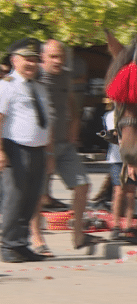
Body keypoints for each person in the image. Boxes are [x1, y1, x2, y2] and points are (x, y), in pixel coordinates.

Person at [29, 39, 96, 256]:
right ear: (43, 58)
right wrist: (48, 153)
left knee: (83, 185)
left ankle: (77, 233)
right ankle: (37, 238)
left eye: (61, 57)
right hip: (40, 144)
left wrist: (75, 122)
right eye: (53, 57)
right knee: (38, 194)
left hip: (63, 144)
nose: (59, 61)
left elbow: (71, 101)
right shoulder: (36, 77)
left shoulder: (65, 75)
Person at [0, 38, 53, 263]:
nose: (31, 64)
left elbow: (47, 122)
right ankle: (8, 245)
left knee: (31, 199)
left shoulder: (40, 87)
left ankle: (21, 244)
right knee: (16, 197)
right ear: (14, 60)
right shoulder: (6, 85)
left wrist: (49, 154)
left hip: (38, 149)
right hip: (15, 148)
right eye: (26, 59)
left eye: (34, 59)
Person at [102, 109, 137, 244]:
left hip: (133, 157)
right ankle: (116, 226)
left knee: (131, 192)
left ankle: (129, 227)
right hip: (117, 159)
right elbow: (113, 134)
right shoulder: (111, 115)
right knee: (119, 191)